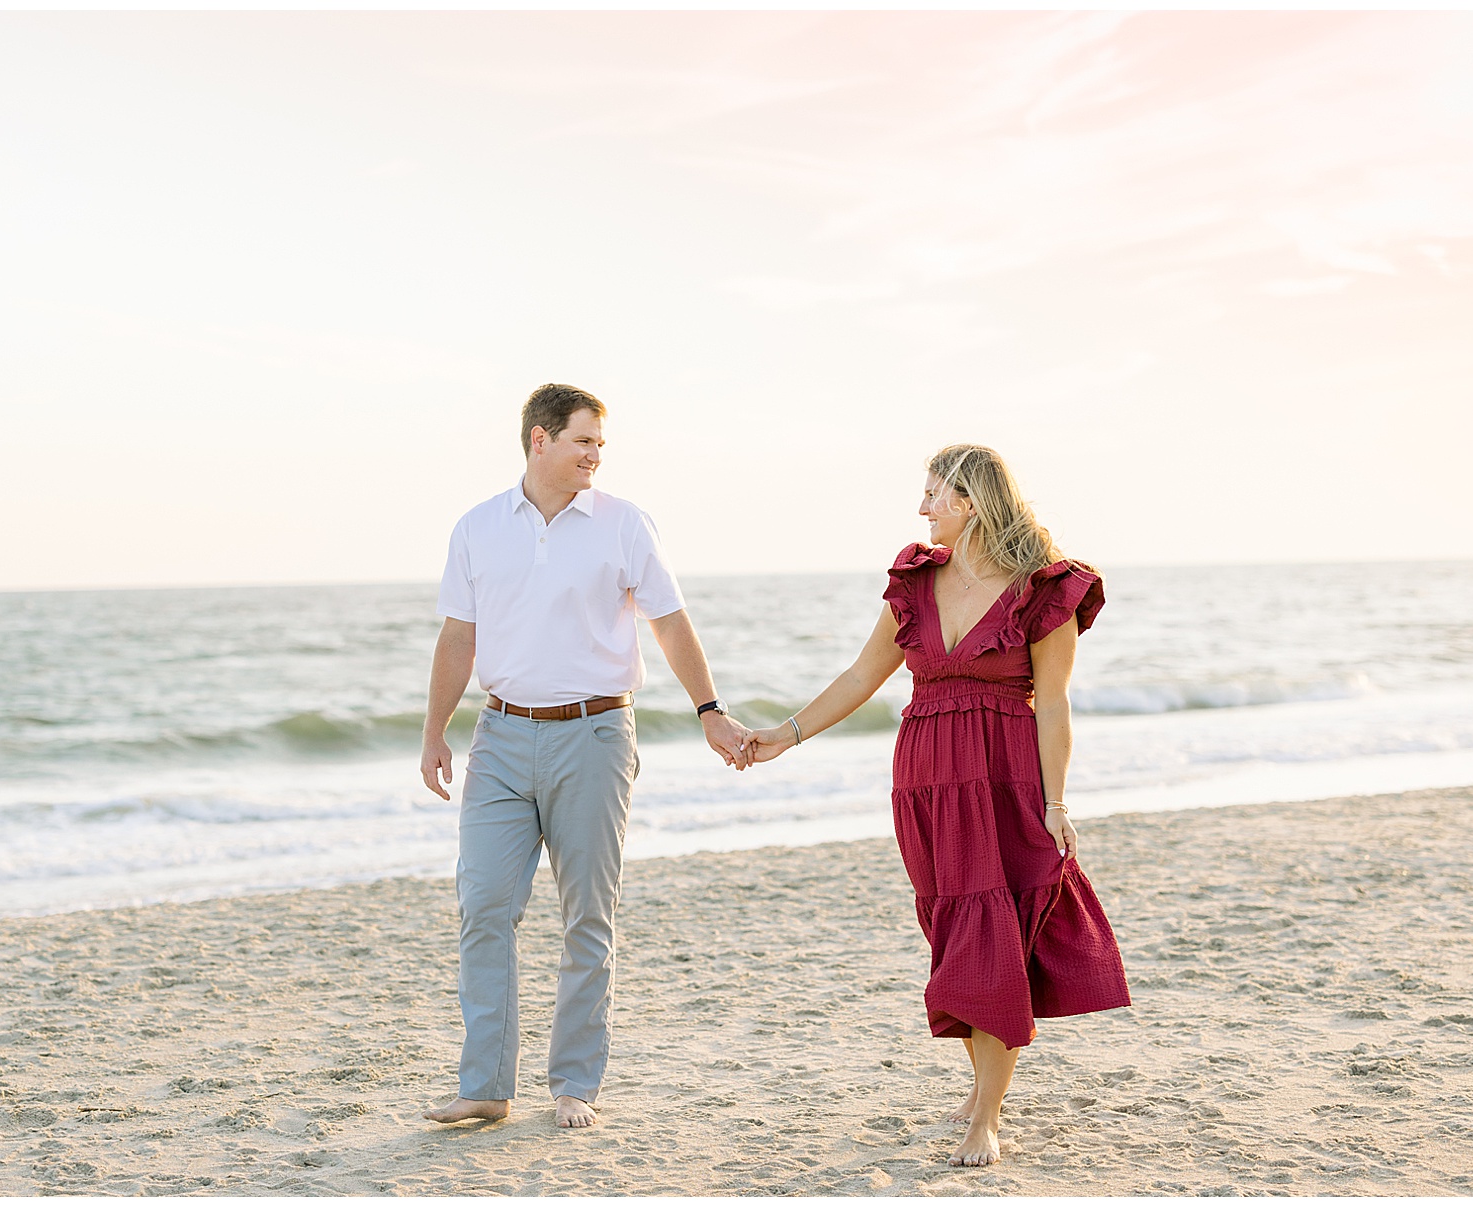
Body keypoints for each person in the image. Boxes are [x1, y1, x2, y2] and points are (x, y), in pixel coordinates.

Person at [743, 444, 1130, 1167]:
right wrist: (784, 735)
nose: (922, 509)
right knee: (955, 933)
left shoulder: (1045, 590)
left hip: (1006, 781)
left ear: (972, 501)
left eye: (934, 494)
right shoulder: (916, 582)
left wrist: (1056, 801)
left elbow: (1054, 706)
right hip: (926, 785)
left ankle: (986, 1116)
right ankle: (983, 1085)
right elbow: (863, 673)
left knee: (997, 938)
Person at [419, 383, 753, 1130]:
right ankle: (485, 1084)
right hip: (500, 737)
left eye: (601, 443)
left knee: (587, 917)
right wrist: (434, 729)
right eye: (583, 441)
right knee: (483, 906)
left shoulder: (625, 524)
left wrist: (709, 710)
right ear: (540, 440)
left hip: (595, 735)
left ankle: (574, 1083)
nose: (596, 455)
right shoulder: (476, 527)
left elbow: (670, 624)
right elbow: (457, 638)